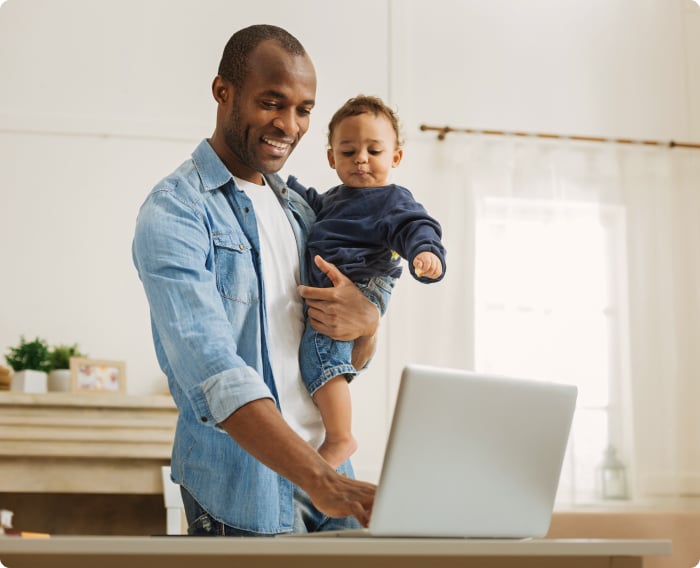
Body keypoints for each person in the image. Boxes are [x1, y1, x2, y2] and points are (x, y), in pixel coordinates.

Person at [132, 24, 379, 536]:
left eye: (304, 109)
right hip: (242, 491)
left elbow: (340, 360)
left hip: (332, 477)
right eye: (272, 102)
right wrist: (318, 479)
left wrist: (368, 323)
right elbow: (216, 374)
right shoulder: (176, 210)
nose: (289, 124)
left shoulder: (303, 211)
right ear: (224, 92)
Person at [288, 95, 446, 469]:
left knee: (321, 358)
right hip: (346, 285)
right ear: (331, 158)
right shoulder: (336, 199)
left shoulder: (390, 199)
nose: (361, 158)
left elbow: (415, 226)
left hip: (363, 283)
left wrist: (426, 252)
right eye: (348, 151)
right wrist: (283, 184)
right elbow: (312, 206)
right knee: (323, 358)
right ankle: (337, 433)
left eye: (374, 150)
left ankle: (341, 438)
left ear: (395, 157)